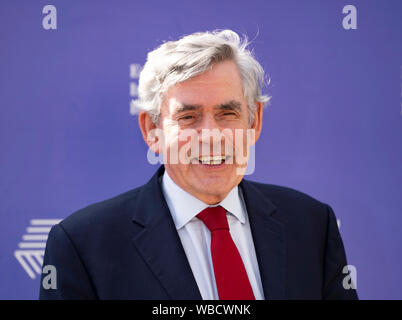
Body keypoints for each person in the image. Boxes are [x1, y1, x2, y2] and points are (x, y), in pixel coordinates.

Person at [39, 30, 358, 300]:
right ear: (152, 131)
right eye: (188, 117)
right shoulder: (82, 246)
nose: (210, 136)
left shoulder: (313, 225)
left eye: (227, 114)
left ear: (255, 121)